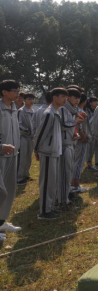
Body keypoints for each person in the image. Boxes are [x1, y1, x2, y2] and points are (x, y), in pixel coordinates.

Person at [35, 87, 68, 220]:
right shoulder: (49, 113)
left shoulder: (56, 112)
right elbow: (40, 133)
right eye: (63, 96)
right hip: (48, 151)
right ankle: (44, 211)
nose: (65, 99)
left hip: (54, 151)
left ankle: (49, 207)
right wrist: (36, 149)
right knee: (47, 182)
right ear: (54, 97)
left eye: (66, 97)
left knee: (52, 181)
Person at [0, 80, 22, 237]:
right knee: (1, 191)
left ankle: (1, 221)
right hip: (1, 154)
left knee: (9, 189)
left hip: (13, 155)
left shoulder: (14, 109)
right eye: (14, 91)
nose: (17, 93)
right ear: (4, 92)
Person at [17, 92, 36, 186]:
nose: (31, 101)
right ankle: (19, 177)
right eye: (29, 99)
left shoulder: (33, 111)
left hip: (31, 138)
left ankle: (26, 175)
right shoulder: (21, 111)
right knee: (22, 157)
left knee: (28, 157)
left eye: (32, 99)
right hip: (23, 137)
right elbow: (18, 124)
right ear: (24, 100)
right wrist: (26, 130)